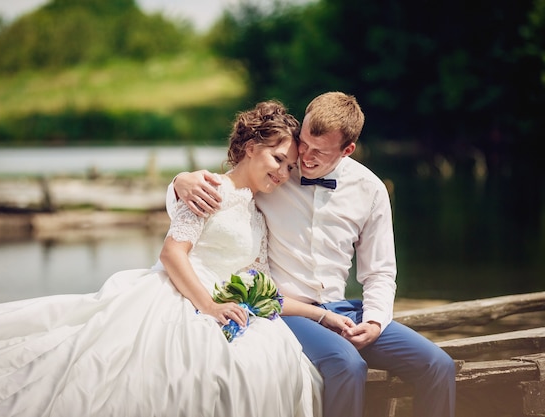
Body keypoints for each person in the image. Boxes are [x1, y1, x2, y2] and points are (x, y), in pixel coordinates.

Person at [0, 100, 323, 417]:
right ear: (250, 148)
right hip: (180, 296)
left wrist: (321, 315)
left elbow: (262, 287)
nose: (283, 173)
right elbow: (172, 252)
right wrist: (209, 306)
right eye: (278, 159)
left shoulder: (258, 218)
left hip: (227, 303)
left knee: (271, 358)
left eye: (290, 166)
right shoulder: (208, 187)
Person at [171, 92, 456, 417]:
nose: (304, 157)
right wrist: (181, 181)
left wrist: (375, 321)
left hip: (347, 310)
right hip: (289, 311)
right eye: (303, 142)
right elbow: (224, 191)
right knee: (347, 365)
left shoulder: (370, 189)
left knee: (438, 365)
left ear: (347, 149)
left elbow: (379, 272)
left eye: (319, 151)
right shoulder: (278, 172)